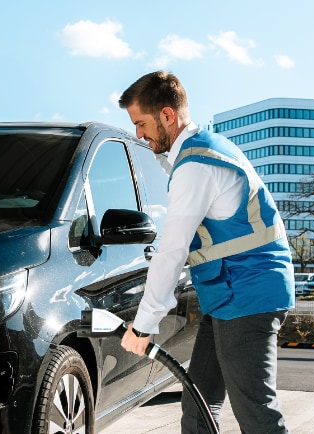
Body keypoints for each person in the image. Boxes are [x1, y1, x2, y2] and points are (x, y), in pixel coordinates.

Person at [118, 71, 295, 434]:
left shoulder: (196, 166)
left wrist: (144, 325)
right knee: (199, 401)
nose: (138, 134)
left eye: (141, 123)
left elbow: (172, 249)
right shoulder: (201, 151)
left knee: (256, 412)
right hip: (230, 294)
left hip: (249, 294)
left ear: (167, 115)